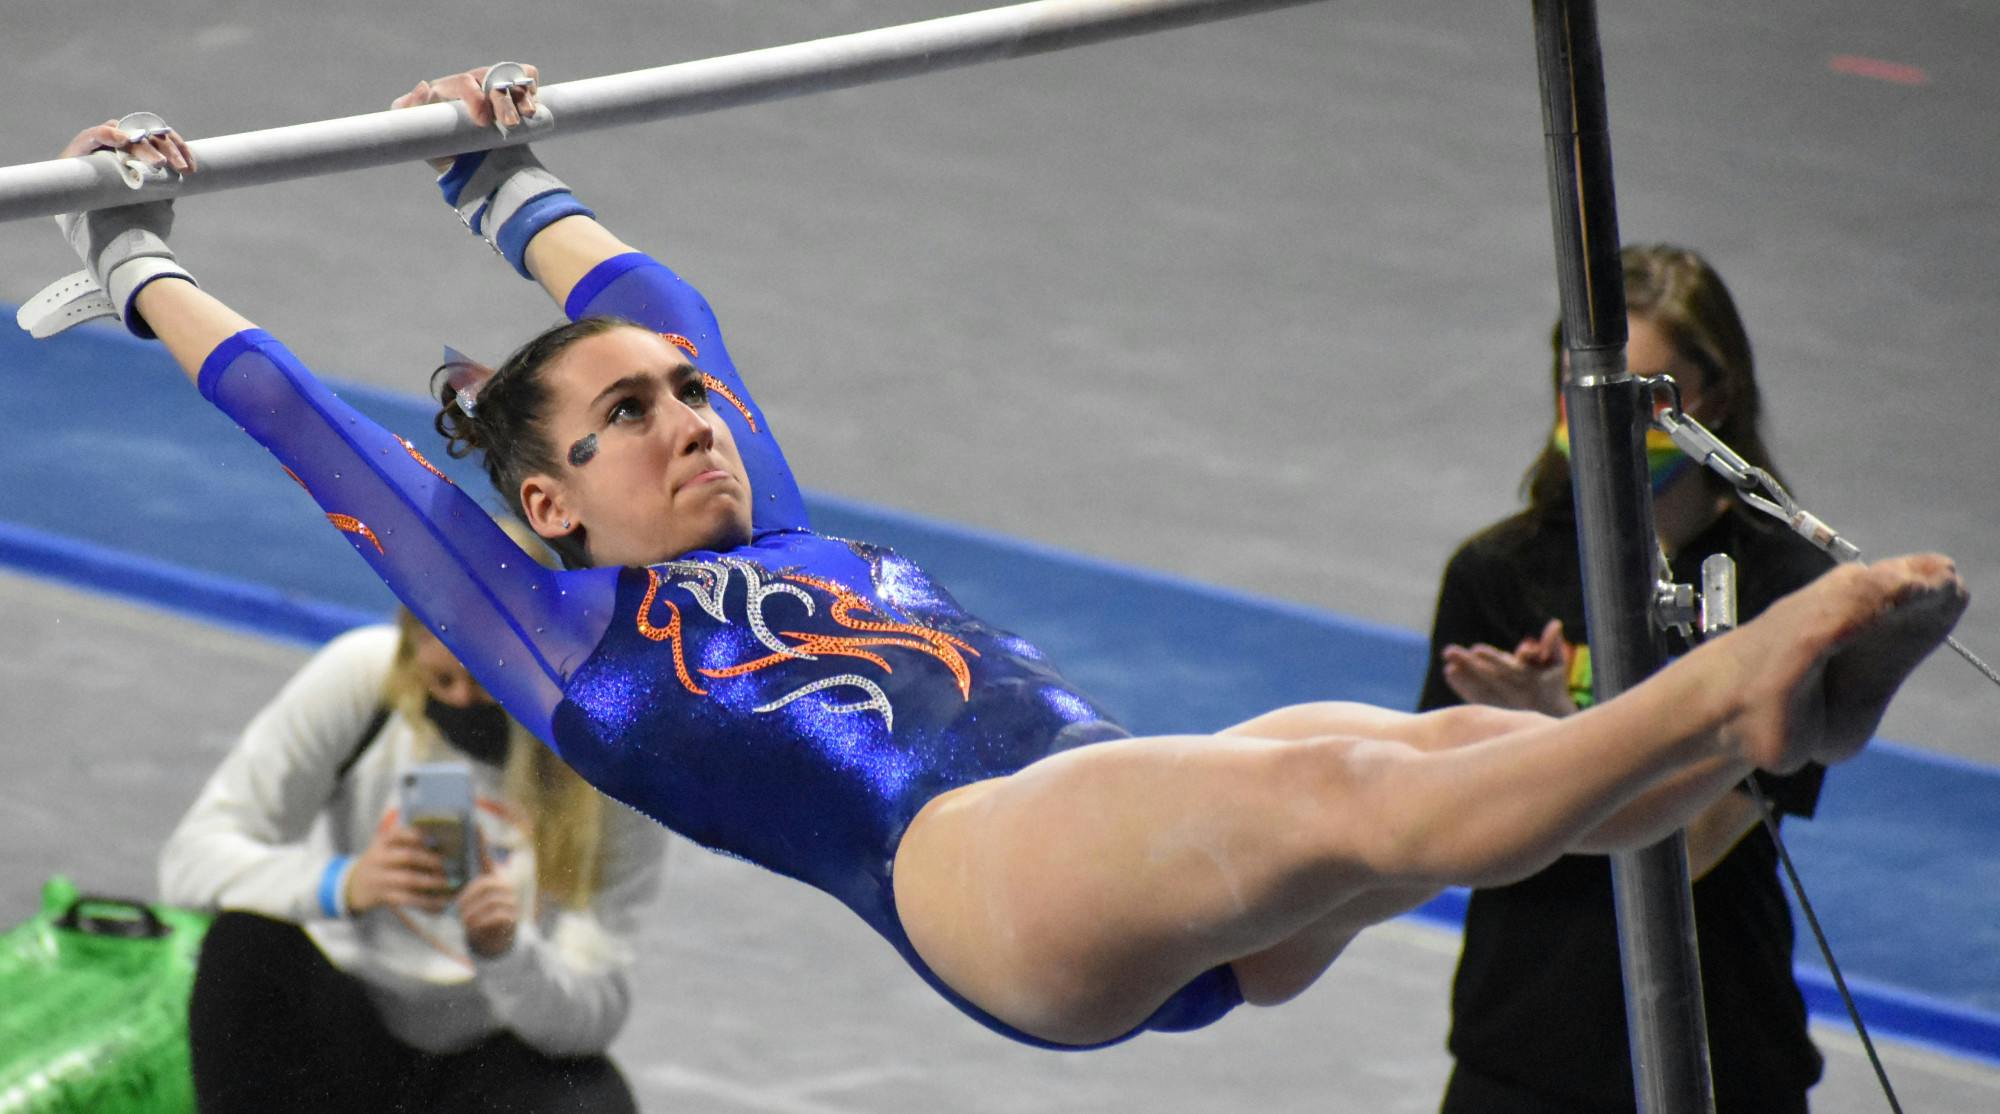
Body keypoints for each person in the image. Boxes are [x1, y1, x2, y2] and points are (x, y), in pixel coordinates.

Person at [37, 69, 1966, 1054]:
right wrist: (143, 260)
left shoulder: (767, 524)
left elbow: (651, 295)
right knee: (1362, 786)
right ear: (547, 503)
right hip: (988, 876)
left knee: (1451, 771)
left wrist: (499, 180)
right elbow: (317, 434)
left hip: (1120, 842)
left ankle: (1748, 734)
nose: (687, 410)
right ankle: (1736, 682)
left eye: (691, 395)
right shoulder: (557, 632)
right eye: (629, 417)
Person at [1421, 245, 1832, 1113]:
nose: (1601, 420)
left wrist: (1547, 747)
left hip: (1721, 1055)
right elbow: (1455, 839)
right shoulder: (1500, 576)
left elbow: (1683, 846)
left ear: (1709, 402)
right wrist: (1535, 760)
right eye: (1582, 387)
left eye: (1640, 395)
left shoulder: (1783, 593)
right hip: (1525, 1048)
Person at [158, 577, 668, 1113]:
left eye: (487, 681)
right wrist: (342, 883)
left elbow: (594, 1019)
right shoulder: (363, 676)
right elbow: (190, 862)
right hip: (346, 1027)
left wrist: (507, 953)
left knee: (594, 1104)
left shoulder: (612, 761)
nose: (462, 702)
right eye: (441, 679)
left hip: (490, 1053)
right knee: (248, 943)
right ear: (410, 644)